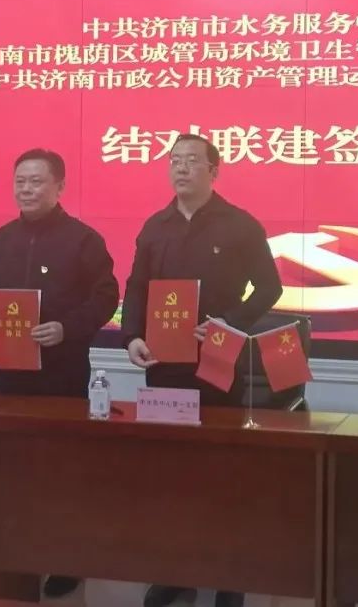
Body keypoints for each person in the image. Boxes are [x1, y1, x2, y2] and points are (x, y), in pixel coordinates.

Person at [121, 134, 282, 607]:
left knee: (222, 475)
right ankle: (177, 574)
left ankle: (230, 580)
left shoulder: (239, 225)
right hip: (164, 367)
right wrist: (131, 336)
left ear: (214, 171)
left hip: (217, 363)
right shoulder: (156, 226)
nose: (181, 168)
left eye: (192, 161)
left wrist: (228, 323)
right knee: (171, 475)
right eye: (175, 160)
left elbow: (269, 288)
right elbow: (137, 287)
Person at [0, 148, 119, 599]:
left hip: (62, 373)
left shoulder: (83, 240)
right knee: (15, 468)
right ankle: (16, 556)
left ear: (59, 186)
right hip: (11, 374)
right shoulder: (2, 238)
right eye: (20, 181)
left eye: (36, 181)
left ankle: (67, 559)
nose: (26, 189)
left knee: (62, 469)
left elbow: (106, 297)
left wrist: (67, 328)